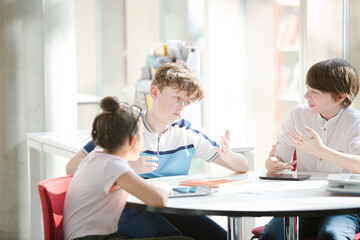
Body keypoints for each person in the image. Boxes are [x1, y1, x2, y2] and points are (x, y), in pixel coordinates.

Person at [66, 62, 249, 240]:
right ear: (154, 92)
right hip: (127, 207)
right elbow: (72, 166)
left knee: (220, 237)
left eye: (187, 102)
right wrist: (125, 167)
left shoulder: (187, 133)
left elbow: (242, 166)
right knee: (171, 236)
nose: (181, 107)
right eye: (177, 97)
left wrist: (229, 156)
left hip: (170, 205)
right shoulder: (127, 127)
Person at [64, 96, 190, 240]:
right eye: (142, 136)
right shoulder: (114, 165)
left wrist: (151, 185)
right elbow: (159, 200)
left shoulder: (96, 157)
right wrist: (162, 188)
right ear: (132, 140)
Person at [261, 58, 360, 240]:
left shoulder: (355, 122)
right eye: (307, 88)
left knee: (331, 235)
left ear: (339, 97)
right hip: (303, 202)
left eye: (314, 92)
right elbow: (279, 156)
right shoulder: (298, 114)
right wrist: (274, 163)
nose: (307, 96)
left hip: (344, 206)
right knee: (271, 236)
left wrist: (320, 150)